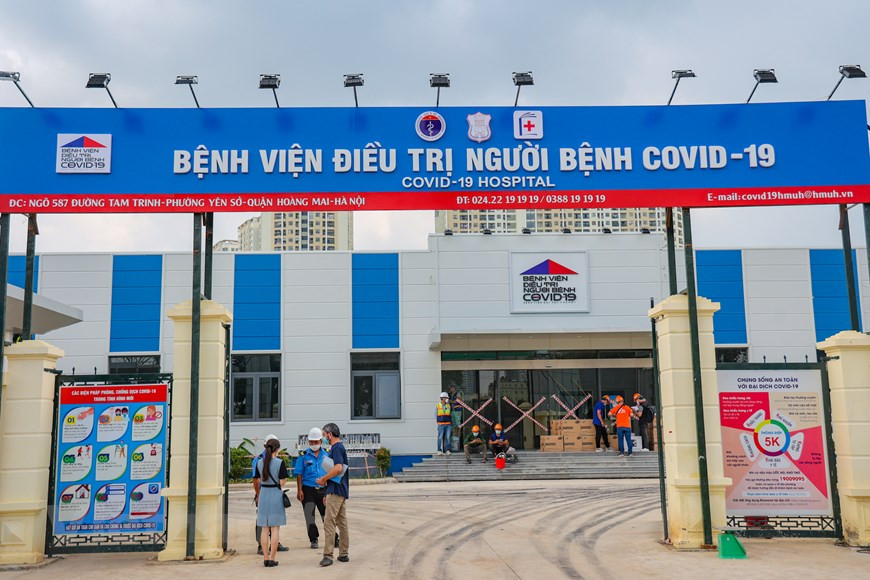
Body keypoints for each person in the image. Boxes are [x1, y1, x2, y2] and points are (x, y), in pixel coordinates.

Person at [293, 427, 339, 550]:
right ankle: (313, 539)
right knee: (309, 515)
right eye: (311, 442)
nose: (313, 444)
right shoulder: (303, 455)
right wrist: (299, 490)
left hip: (324, 489)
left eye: (316, 442)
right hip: (308, 489)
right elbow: (299, 473)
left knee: (327, 516)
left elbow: (332, 472)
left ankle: (334, 538)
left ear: (320, 441)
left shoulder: (328, 454)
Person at [317, 423, 349, 567]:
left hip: (335, 491)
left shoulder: (336, 448)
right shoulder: (339, 447)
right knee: (342, 523)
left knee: (329, 522)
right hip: (339, 490)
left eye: (324, 435)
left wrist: (323, 479)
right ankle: (343, 553)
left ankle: (328, 555)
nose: (323, 438)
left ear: (330, 434)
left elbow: (338, 468)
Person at [253, 437, 288, 568]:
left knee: (264, 528)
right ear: (277, 449)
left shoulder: (259, 463)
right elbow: (283, 482)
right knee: (275, 528)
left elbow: (257, 480)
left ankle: (265, 558)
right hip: (275, 495)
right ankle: (272, 558)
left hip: (263, 494)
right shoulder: (280, 463)